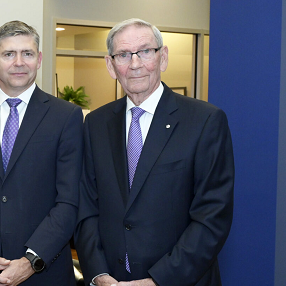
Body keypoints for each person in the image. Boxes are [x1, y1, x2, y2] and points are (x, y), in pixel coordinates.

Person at [74, 18, 234, 286]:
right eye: (124, 55)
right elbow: (87, 207)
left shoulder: (205, 121)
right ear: (110, 65)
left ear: (163, 57)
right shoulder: (96, 124)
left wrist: (157, 280)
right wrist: (98, 273)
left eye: (145, 51)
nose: (135, 64)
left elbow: (212, 218)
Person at [0, 21, 82, 286]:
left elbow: (69, 201)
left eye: (27, 54)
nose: (18, 62)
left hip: (44, 273)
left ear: (39, 59)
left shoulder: (66, 117)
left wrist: (31, 261)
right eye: (9, 54)